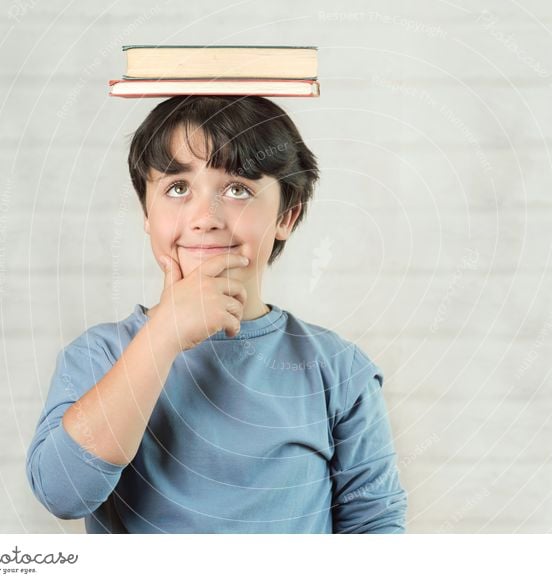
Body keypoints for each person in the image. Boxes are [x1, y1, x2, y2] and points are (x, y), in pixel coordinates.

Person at [25, 95, 407, 533]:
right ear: (146, 214)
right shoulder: (98, 356)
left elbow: (373, 526)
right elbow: (62, 493)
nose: (205, 219)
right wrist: (162, 335)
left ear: (287, 215)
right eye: (177, 188)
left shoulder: (337, 370)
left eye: (238, 189)